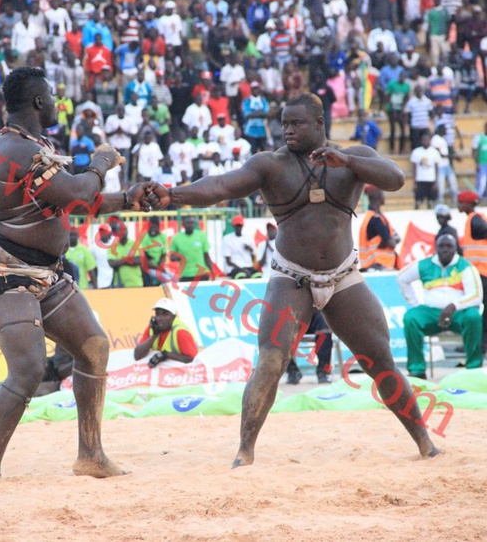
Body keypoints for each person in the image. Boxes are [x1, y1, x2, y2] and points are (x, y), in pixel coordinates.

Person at [154, 93, 440, 466]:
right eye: (284, 123)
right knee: (271, 362)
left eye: (296, 123)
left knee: (380, 361)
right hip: (291, 277)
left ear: (320, 124)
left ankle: (425, 443)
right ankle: (245, 451)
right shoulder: (270, 165)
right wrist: (172, 195)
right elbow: (222, 186)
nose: (287, 129)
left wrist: (348, 161)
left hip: (343, 276)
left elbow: (397, 179)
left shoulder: (353, 156)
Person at [0, 67, 162, 481]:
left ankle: (91, 455)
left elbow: (71, 204)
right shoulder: (14, 149)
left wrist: (127, 199)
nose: (57, 102)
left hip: (43, 273)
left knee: (93, 347)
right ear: (38, 102)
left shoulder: (33, 146)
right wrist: (101, 163)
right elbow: (78, 192)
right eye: (52, 96)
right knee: (29, 369)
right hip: (8, 274)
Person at [398, 234, 483, 379]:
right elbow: (402, 278)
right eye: (441, 246)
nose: (444, 249)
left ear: (456, 248)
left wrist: (453, 306)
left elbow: (476, 296)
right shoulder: (424, 264)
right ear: (435, 248)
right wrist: (415, 304)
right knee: (411, 318)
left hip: (458, 313)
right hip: (431, 312)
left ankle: (473, 369)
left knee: (473, 317)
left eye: (449, 246)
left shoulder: (466, 267)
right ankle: (417, 370)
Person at [458, 190, 487, 353]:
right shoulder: (475, 219)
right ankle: (480, 344)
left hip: (480, 273)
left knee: (473, 309)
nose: (459, 205)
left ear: (468, 204)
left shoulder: (474, 219)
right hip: (480, 272)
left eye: (461, 202)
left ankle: (475, 344)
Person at [133, 298, 198, 367]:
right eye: (157, 314)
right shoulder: (153, 328)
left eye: (165, 314)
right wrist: (155, 334)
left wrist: (167, 355)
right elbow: (137, 355)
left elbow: (193, 360)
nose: (160, 318)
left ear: (173, 317)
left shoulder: (181, 332)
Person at [285, 311, 334, 384]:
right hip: (292, 320)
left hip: (314, 319)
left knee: (323, 319)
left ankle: (323, 372)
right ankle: (293, 372)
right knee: (278, 327)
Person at [358, 186, 400, 271]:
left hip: (379, 265)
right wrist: (390, 240)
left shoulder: (378, 218)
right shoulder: (375, 220)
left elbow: (396, 238)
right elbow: (392, 243)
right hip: (379, 265)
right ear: (379, 195)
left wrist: (390, 240)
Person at [170, 215, 215, 282]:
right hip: (185, 275)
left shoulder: (201, 235)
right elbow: (172, 257)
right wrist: (177, 257)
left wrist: (212, 271)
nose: (190, 225)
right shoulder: (176, 238)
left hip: (202, 274)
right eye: (187, 223)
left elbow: (206, 256)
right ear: (183, 224)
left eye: (192, 223)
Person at [410, 132, 441, 210]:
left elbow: (437, 168)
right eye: (424, 140)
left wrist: (436, 182)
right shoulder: (416, 152)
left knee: (431, 203)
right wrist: (414, 182)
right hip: (420, 180)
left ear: (430, 140)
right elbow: (414, 168)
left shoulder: (435, 152)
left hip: (431, 180)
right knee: (418, 202)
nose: (425, 141)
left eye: (427, 140)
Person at [222, 214, 259, 279]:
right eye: (237, 226)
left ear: (242, 226)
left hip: (248, 266)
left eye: (240, 226)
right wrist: (242, 269)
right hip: (234, 268)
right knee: (241, 275)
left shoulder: (248, 238)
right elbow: (228, 261)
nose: (238, 228)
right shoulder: (227, 239)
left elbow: (253, 255)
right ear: (233, 226)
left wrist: (249, 249)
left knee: (258, 275)